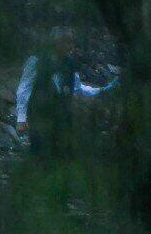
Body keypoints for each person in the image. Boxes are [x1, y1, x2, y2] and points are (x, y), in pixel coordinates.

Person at [16, 29, 119, 157]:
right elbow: (24, 88)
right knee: (39, 152)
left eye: (71, 43)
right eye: (67, 43)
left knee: (61, 154)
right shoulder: (36, 61)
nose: (71, 47)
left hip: (62, 117)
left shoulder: (70, 64)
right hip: (40, 116)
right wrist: (21, 118)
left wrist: (102, 90)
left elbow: (78, 88)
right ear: (56, 43)